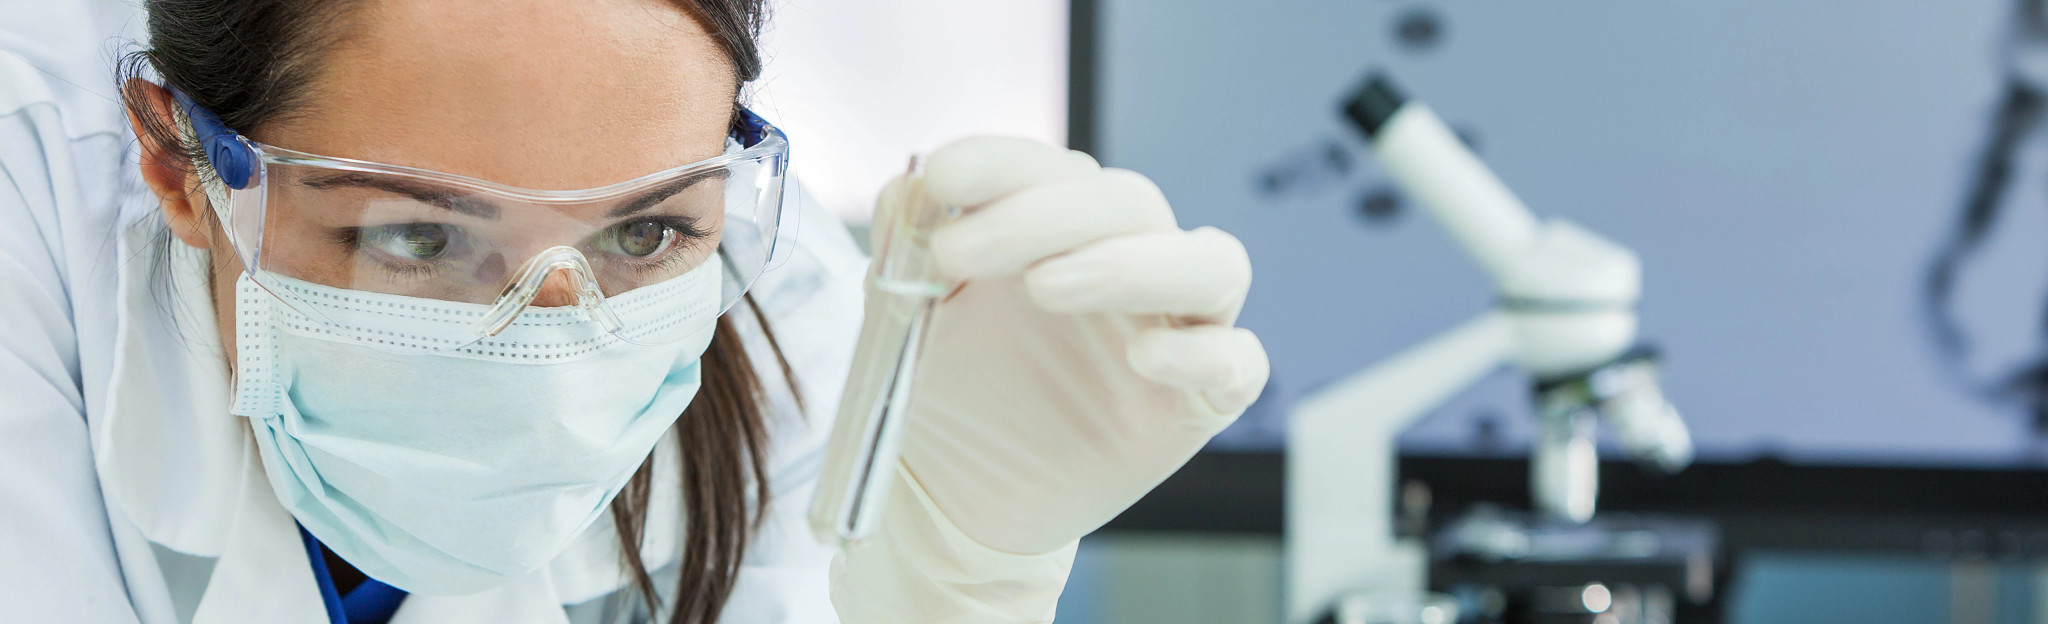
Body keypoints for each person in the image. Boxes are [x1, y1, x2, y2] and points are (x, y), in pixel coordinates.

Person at [0, 0, 1269, 622]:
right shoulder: (25, 208)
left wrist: (958, 583)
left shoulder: (781, 306)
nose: (553, 359)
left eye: (642, 229)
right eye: (417, 234)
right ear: (178, 162)